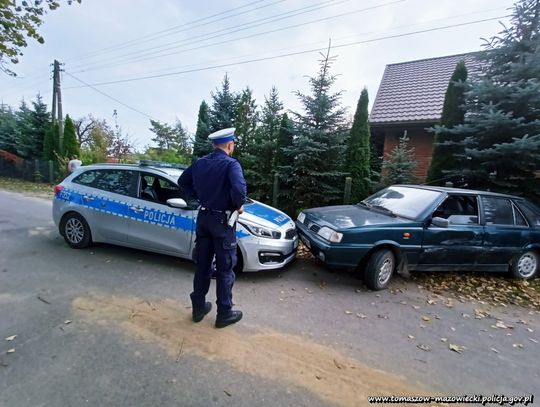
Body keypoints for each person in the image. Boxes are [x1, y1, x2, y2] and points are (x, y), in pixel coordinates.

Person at [178, 128, 247, 328]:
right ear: (229, 145)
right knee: (225, 268)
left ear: (214, 144)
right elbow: (239, 191)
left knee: (203, 265)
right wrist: (237, 205)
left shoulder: (200, 163)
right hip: (222, 222)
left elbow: (183, 182)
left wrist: (198, 198)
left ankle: (198, 308)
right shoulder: (231, 164)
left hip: (204, 218)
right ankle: (224, 313)